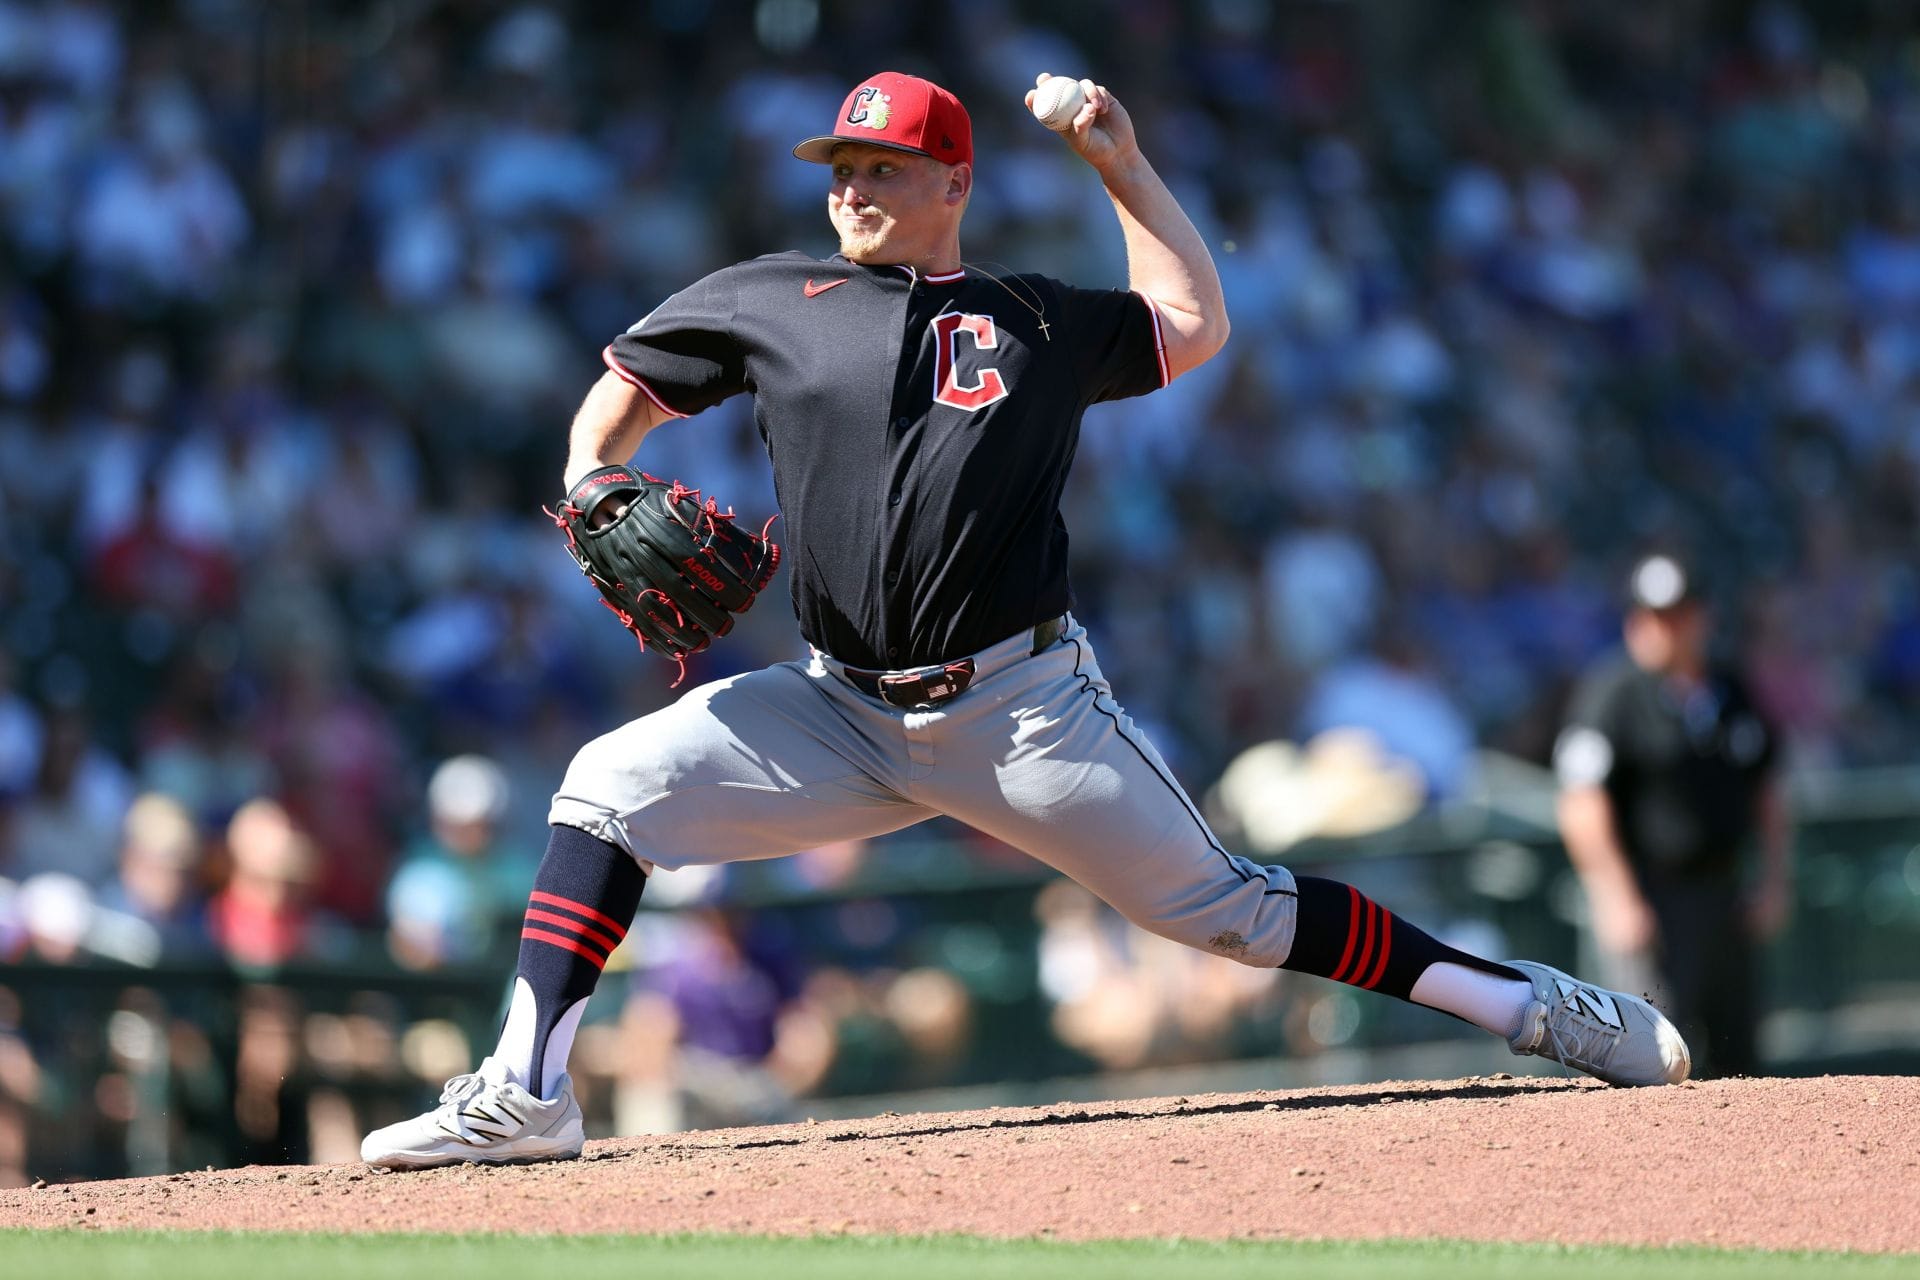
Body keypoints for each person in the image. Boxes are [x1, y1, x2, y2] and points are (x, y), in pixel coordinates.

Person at [362, 70, 1688, 1170]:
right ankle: (530, 1092)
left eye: (884, 167)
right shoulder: (771, 295)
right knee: (602, 787)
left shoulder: (1034, 318)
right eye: (841, 164)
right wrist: (591, 475)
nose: (852, 187)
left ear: (955, 185)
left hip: (1020, 711)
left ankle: (1531, 1007)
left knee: (1231, 914)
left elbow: (1191, 321)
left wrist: (1122, 166)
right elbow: (623, 390)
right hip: (834, 708)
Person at [1554, 553, 1791, 1077]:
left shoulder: (1730, 690)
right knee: (1654, 1055)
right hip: (1652, 899)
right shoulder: (1612, 694)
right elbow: (1581, 804)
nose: (1664, 629)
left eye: (1677, 614)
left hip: (1725, 896)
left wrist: (1773, 880)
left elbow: (1768, 790)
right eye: (1653, 615)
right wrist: (1615, 896)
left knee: (1740, 1057)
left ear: (1703, 617)